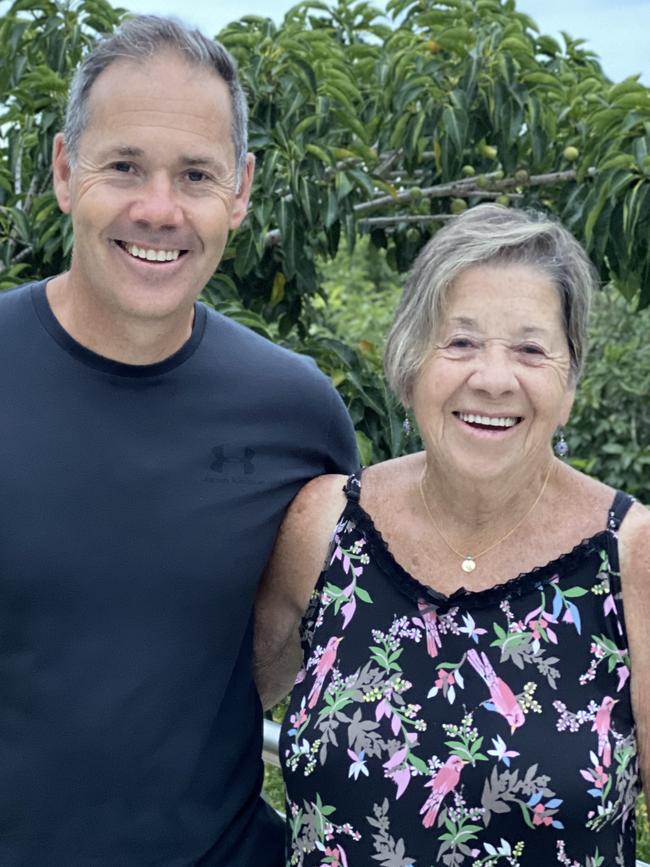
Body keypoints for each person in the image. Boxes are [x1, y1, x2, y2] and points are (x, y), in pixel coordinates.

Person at [0, 15, 358, 867]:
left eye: (195, 175)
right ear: (62, 171)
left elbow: (307, 640)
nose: (158, 209)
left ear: (240, 190)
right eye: (123, 166)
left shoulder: (299, 414)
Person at [255, 204, 650, 866]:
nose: (493, 378)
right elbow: (214, 716)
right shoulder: (326, 527)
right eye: (460, 342)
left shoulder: (631, 556)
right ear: (411, 363)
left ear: (571, 379)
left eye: (530, 348)